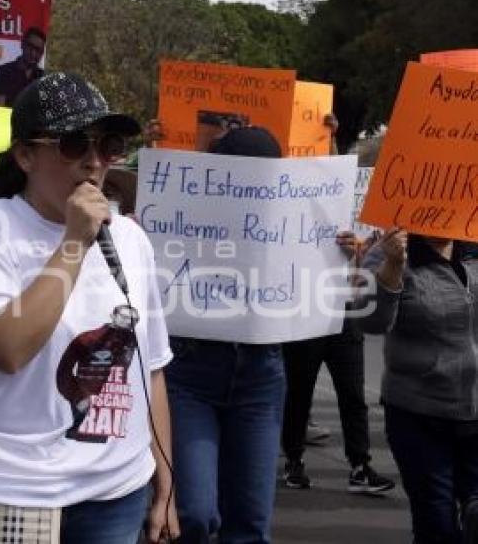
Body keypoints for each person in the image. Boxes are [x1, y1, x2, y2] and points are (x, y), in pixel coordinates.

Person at [0, 72, 178, 544]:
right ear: (24, 156)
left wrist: (165, 479)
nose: (94, 161)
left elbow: (152, 369)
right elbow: (7, 350)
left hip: (114, 493)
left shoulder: (131, 239)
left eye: (109, 145)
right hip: (5, 489)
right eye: (73, 144)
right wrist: (75, 242)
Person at [166, 126, 358, 543]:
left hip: (260, 378)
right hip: (190, 376)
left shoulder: (291, 227)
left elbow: (322, 299)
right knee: (194, 514)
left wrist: (338, 260)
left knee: (251, 524)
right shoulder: (182, 219)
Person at [280, 114, 395, 495]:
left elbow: (371, 264)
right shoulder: (293, 208)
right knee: (300, 389)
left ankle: (360, 465)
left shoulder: (357, 210)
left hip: (346, 312)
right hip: (307, 309)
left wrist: (359, 253)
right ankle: (293, 460)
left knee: (352, 393)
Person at [359, 229, 478, 542]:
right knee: (436, 524)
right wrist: (393, 267)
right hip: (420, 415)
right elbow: (370, 321)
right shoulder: (389, 252)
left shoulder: (473, 251)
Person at [0, 27, 46, 107]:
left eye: (38, 50)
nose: (33, 53)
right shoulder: (4, 71)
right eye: (30, 47)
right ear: (22, 45)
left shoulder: (43, 77)